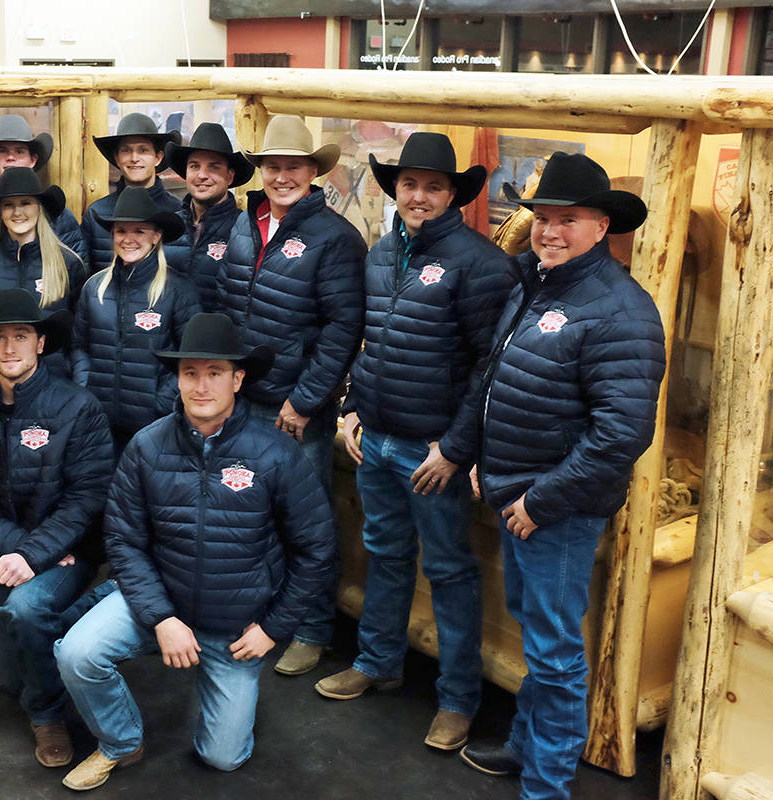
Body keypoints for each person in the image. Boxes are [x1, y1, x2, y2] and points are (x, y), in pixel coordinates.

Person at [448, 152, 665, 800]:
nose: (549, 231)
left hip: (557, 513)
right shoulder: (539, 283)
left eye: (566, 220)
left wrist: (540, 500)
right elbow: (502, 381)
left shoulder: (621, 311)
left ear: (602, 226)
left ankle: (546, 786)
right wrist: (491, 458)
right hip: (523, 495)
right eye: (543, 217)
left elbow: (622, 435)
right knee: (540, 635)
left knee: (554, 653)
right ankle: (526, 748)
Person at [55, 312, 335, 791]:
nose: (201, 386)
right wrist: (162, 618)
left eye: (215, 372)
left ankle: (229, 695)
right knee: (78, 653)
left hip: (235, 625)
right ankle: (121, 742)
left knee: (222, 759)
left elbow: (316, 549)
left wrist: (274, 628)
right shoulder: (146, 447)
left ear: (238, 378)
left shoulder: (274, 453)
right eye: (190, 373)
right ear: (177, 379)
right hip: (158, 602)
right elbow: (122, 538)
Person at [314, 132, 515, 751]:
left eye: (432, 186)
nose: (419, 195)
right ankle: (377, 664)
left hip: (434, 451)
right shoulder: (379, 253)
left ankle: (457, 699)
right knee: (386, 553)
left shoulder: (480, 263)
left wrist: (456, 448)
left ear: (453, 193)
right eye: (409, 184)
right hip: (377, 438)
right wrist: (352, 408)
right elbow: (371, 340)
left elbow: (490, 365)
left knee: (451, 571)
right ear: (394, 189)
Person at [0, 288, 113, 768]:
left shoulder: (79, 408)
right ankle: (52, 652)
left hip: (69, 550)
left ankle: (47, 714)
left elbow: (87, 496)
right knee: (13, 676)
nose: (10, 347)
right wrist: (23, 551)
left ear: (40, 343)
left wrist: (37, 554)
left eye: (21, 335)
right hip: (10, 551)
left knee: (27, 611)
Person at [218, 114, 365, 676]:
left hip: (295, 408)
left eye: (293, 167)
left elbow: (342, 329)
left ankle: (311, 629)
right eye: (273, 166)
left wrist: (304, 401)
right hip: (244, 400)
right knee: (250, 514)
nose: (282, 176)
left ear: (312, 172)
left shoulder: (335, 238)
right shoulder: (243, 224)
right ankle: (262, 617)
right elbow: (230, 308)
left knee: (306, 522)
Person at [72, 186, 201, 455]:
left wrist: (161, 402)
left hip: (155, 426)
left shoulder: (178, 290)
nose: (129, 239)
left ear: (156, 236)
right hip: (99, 425)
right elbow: (79, 347)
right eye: (121, 230)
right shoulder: (94, 288)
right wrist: (86, 388)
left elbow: (191, 358)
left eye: (139, 231)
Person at [0, 167, 84, 384]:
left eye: (25, 203)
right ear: (0, 212)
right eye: (8, 205)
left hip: (54, 387)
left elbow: (80, 335)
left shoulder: (68, 264)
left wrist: (70, 378)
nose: (17, 212)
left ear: (39, 208)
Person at [0, 114, 88, 263]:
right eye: (2, 150)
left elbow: (77, 270)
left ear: (33, 160)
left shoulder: (59, 216)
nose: (11, 157)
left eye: (19, 151)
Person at [163, 122, 253, 313]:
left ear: (229, 177)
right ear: (185, 174)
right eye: (194, 166)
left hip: (219, 339)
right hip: (168, 340)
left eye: (213, 167)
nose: (202, 175)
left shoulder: (245, 230)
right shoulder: (168, 227)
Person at [81, 112, 182, 271]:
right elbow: (86, 275)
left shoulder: (180, 211)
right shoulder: (96, 214)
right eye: (126, 150)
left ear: (158, 158)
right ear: (117, 158)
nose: (134, 158)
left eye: (143, 150)